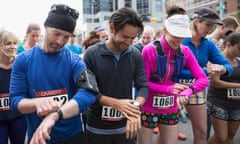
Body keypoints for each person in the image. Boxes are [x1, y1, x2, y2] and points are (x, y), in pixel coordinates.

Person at [9, 4, 97, 144]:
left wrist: (56, 115)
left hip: (72, 135)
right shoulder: (23, 60)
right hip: (39, 136)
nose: (60, 41)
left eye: (66, 37)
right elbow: (15, 100)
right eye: (56, 33)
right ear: (46, 27)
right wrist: (36, 103)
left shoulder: (74, 61)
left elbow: (89, 93)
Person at [138, 5, 209, 144]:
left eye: (182, 37)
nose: (178, 40)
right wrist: (168, 89)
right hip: (147, 106)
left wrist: (188, 91)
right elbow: (142, 82)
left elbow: (203, 79)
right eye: (175, 36)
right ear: (165, 31)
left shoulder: (185, 51)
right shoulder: (148, 50)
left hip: (170, 108)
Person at [84, 7, 148, 144]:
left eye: (133, 38)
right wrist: (117, 104)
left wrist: (134, 109)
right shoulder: (92, 54)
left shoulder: (135, 55)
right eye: (125, 37)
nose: (129, 42)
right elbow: (88, 91)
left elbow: (143, 86)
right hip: (97, 129)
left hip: (126, 128)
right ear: (112, 28)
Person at [179, 7, 233, 144]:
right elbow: (174, 70)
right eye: (208, 24)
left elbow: (228, 66)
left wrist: (222, 69)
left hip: (196, 87)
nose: (210, 29)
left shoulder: (208, 44)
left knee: (202, 133)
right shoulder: (180, 40)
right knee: (167, 132)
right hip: (174, 86)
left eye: (212, 26)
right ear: (197, 21)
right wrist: (204, 71)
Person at [207, 32, 240, 144]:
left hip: (236, 104)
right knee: (221, 137)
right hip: (218, 102)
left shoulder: (238, 60)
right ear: (229, 45)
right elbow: (216, 82)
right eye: (239, 48)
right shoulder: (217, 59)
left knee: (230, 136)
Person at [0, 30, 27, 144]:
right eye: (8, 43)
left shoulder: (22, 64)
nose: (12, 47)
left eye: (15, 43)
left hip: (18, 117)